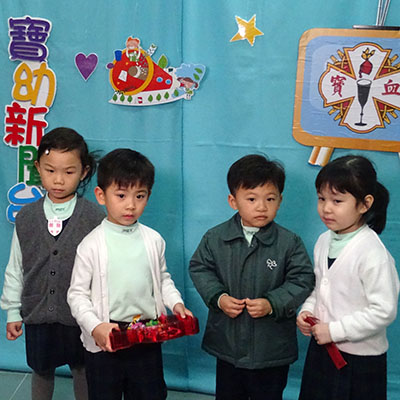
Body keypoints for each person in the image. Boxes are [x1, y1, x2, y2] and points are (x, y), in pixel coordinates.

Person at [67, 148, 192, 400]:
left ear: (148, 196)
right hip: (107, 338)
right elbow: (76, 295)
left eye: (140, 196)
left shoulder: (153, 240)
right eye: (121, 195)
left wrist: (176, 303)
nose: (131, 205)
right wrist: (95, 327)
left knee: (149, 394)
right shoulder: (91, 245)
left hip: (147, 335)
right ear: (101, 195)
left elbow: (162, 280)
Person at [189, 154, 315, 400]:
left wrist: (272, 303)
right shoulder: (215, 238)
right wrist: (219, 298)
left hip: (271, 347)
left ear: (280, 201)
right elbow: (200, 268)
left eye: (270, 199)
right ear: (233, 201)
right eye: (251, 199)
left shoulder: (289, 242)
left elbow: (302, 279)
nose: (261, 207)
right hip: (228, 343)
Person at [0, 127, 105, 400]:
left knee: (83, 368)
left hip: (82, 315)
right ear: (38, 168)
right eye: (50, 170)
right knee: (41, 369)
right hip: (37, 312)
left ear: (84, 172)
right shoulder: (26, 217)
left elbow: (103, 270)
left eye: (69, 172)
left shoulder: (94, 217)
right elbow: (15, 268)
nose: (58, 180)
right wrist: (12, 312)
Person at [297, 155, 400, 400]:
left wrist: (335, 330)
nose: (326, 208)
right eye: (322, 198)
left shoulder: (373, 254)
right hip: (322, 349)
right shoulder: (324, 241)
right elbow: (319, 288)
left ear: (364, 204)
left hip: (359, 360)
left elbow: (383, 311)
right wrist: (308, 310)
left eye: (337, 201)